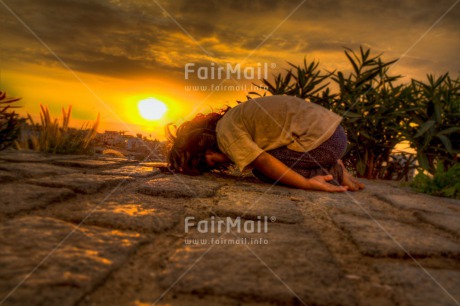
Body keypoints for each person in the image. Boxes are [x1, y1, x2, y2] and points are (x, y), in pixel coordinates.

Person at [165, 95, 365, 192]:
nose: (218, 164)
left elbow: (263, 160)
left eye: (210, 162)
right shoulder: (233, 119)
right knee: (264, 162)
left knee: (261, 170)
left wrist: (306, 184)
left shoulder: (225, 134)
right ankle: (333, 164)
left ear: (205, 147)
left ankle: (331, 172)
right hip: (334, 133)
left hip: (324, 143)